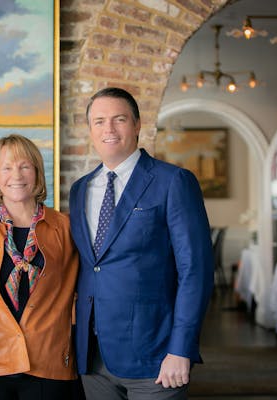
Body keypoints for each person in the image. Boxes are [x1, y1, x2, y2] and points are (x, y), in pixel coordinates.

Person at [69, 87, 214, 400]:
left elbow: (196, 272)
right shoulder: (80, 189)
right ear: (90, 130)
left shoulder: (173, 181)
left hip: (157, 358)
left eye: (119, 119)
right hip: (93, 358)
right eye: (99, 121)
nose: (108, 129)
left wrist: (181, 349)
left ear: (136, 125)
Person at [0, 134, 80, 400]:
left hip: (48, 366)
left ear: (36, 172)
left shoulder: (66, 227)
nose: (17, 175)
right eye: (7, 168)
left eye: (25, 166)